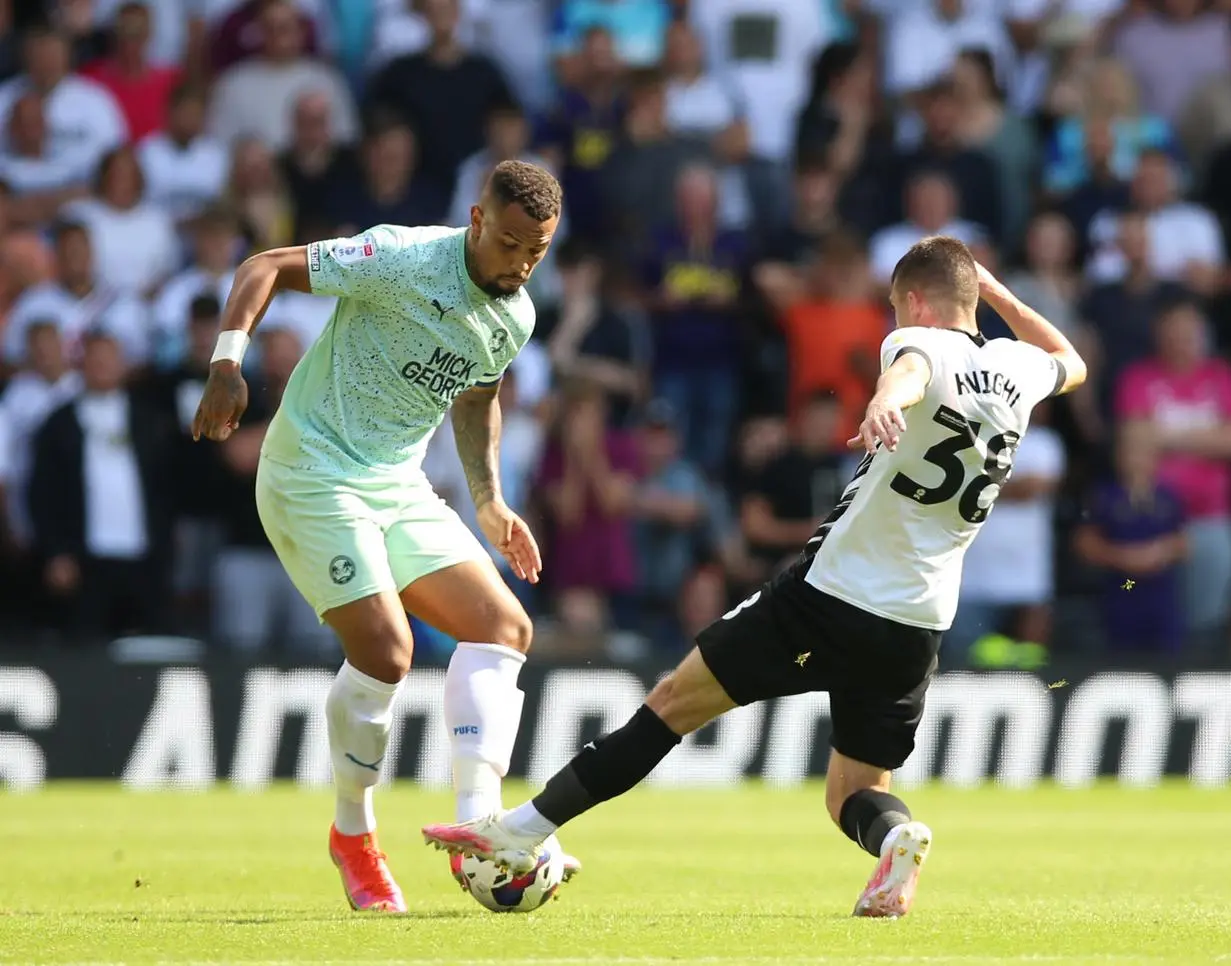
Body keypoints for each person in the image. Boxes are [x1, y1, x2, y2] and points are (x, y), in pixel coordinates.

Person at [423, 235, 1088, 918]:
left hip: (830, 598)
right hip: (918, 624)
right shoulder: (1016, 369)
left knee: (673, 703)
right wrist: (997, 292)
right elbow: (1073, 361)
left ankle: (520, 830)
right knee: (852, 793)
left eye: (895, 310)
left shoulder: (920, 344)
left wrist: (886, 398)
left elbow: (912, 368)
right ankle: (896, 837)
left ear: (915, 303)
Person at [189, 160, 579, 913]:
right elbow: (265, 264)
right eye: (508, 243)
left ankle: (480, 823)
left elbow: (477, 395)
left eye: (538, 250)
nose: (521, 263)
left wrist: (490, 501)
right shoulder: (402, 258)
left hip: (395, 484)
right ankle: (353, 834)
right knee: (387, 651)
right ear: (475, 219)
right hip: (313, 470)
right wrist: (226, 364)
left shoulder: (516, 315)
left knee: (505, 627)